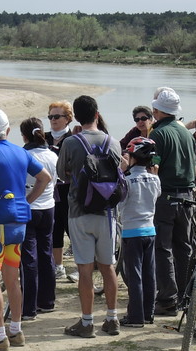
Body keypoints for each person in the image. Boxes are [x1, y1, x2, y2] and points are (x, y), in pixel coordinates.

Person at [0, 109, 52, 351]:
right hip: (18, 223)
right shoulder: (19, 151)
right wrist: (27, 200)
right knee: (12, 278)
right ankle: (15, 331)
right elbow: (45, 177)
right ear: (7, 130)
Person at [58, 95, 124, 337]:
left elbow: (62, 175)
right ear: (97, 114)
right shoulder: (113, 143)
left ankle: (87, 323)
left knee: (84, 269)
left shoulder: (71, 143)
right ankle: (112, 318)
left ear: (75, 116)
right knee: (108, 267)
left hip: (79, 211)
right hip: (107, 213)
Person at [149, 87, 196, 315]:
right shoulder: (186, 132)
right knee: (184, 247)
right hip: (188, 197)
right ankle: (186, 295)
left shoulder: (158, 134)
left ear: (157, 110)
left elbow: (153, 166)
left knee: (163, 248)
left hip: (166, 196)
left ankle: (168, 298)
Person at [117, 136, 161, 328]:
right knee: (149, 273)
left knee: (134, 275)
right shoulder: (155, 179)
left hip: (131, 232)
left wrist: (121, 171)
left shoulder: (127, 180)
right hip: (149, 230)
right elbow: (157, 196)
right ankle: (148, 313)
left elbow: (119, 203)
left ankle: (135, 316)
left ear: (133, 157)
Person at [19, 118, 58, 319]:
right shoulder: (52, 155)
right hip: (49, 208)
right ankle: (47, 301)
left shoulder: (24, 155)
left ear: (24, 136)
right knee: (46, 254)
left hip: (30, 208)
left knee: (29, 259)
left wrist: (26, 201)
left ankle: (29, 308)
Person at [46, 100, 77, 282]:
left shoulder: (73, 138)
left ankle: (83, 265)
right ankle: (58, 267)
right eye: (50, 116)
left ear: (68, 119)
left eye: (57, 116)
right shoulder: (44, 137)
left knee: (72, 228)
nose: (53, 120)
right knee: (54, 229)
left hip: (69, 189)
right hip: (49, 189)